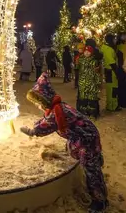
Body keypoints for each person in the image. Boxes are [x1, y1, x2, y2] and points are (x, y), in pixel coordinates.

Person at [20, 74, 108, 213]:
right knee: (89, 163)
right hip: (83, 138)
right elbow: (46, 119)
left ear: (44, 100)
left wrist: (31, 131)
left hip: (86, 141)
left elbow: (46, 125)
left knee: (92, 172)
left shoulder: (58, 112)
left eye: (38, 102)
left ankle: (100, 202)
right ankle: (95, 161)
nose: (37, 105)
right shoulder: (57, 106)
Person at [76, 46, 103, 118]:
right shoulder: (80, 60)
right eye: (85, 51)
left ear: (91, 53)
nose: (87, 53)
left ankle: (93, 114)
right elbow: (76, 69)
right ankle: (84, 114)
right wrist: (76, 62)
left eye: (89, 51)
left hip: (92, 83)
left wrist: (98, 82)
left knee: (92, 100)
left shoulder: (95, 61)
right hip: (83, 83)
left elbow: (97, 73)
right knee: (83, 100)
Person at [99, 35, 119, 111]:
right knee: (113, 89)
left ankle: (110, 105)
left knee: (109, 89)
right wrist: (117, 72)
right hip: (111, 71)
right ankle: (113, 106)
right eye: (114, 39)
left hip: (107, 70)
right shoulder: (109, 49)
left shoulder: (103, 47)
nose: (115, 40)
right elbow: (112, 62)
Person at [116, 33, 126, 108]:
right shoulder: (117, 46)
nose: (124, 37)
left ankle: (124, 102)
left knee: (125, 86)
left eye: (125, 35)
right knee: (122, 85)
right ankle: (121, 102)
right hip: (121, 67)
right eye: (123, 35)